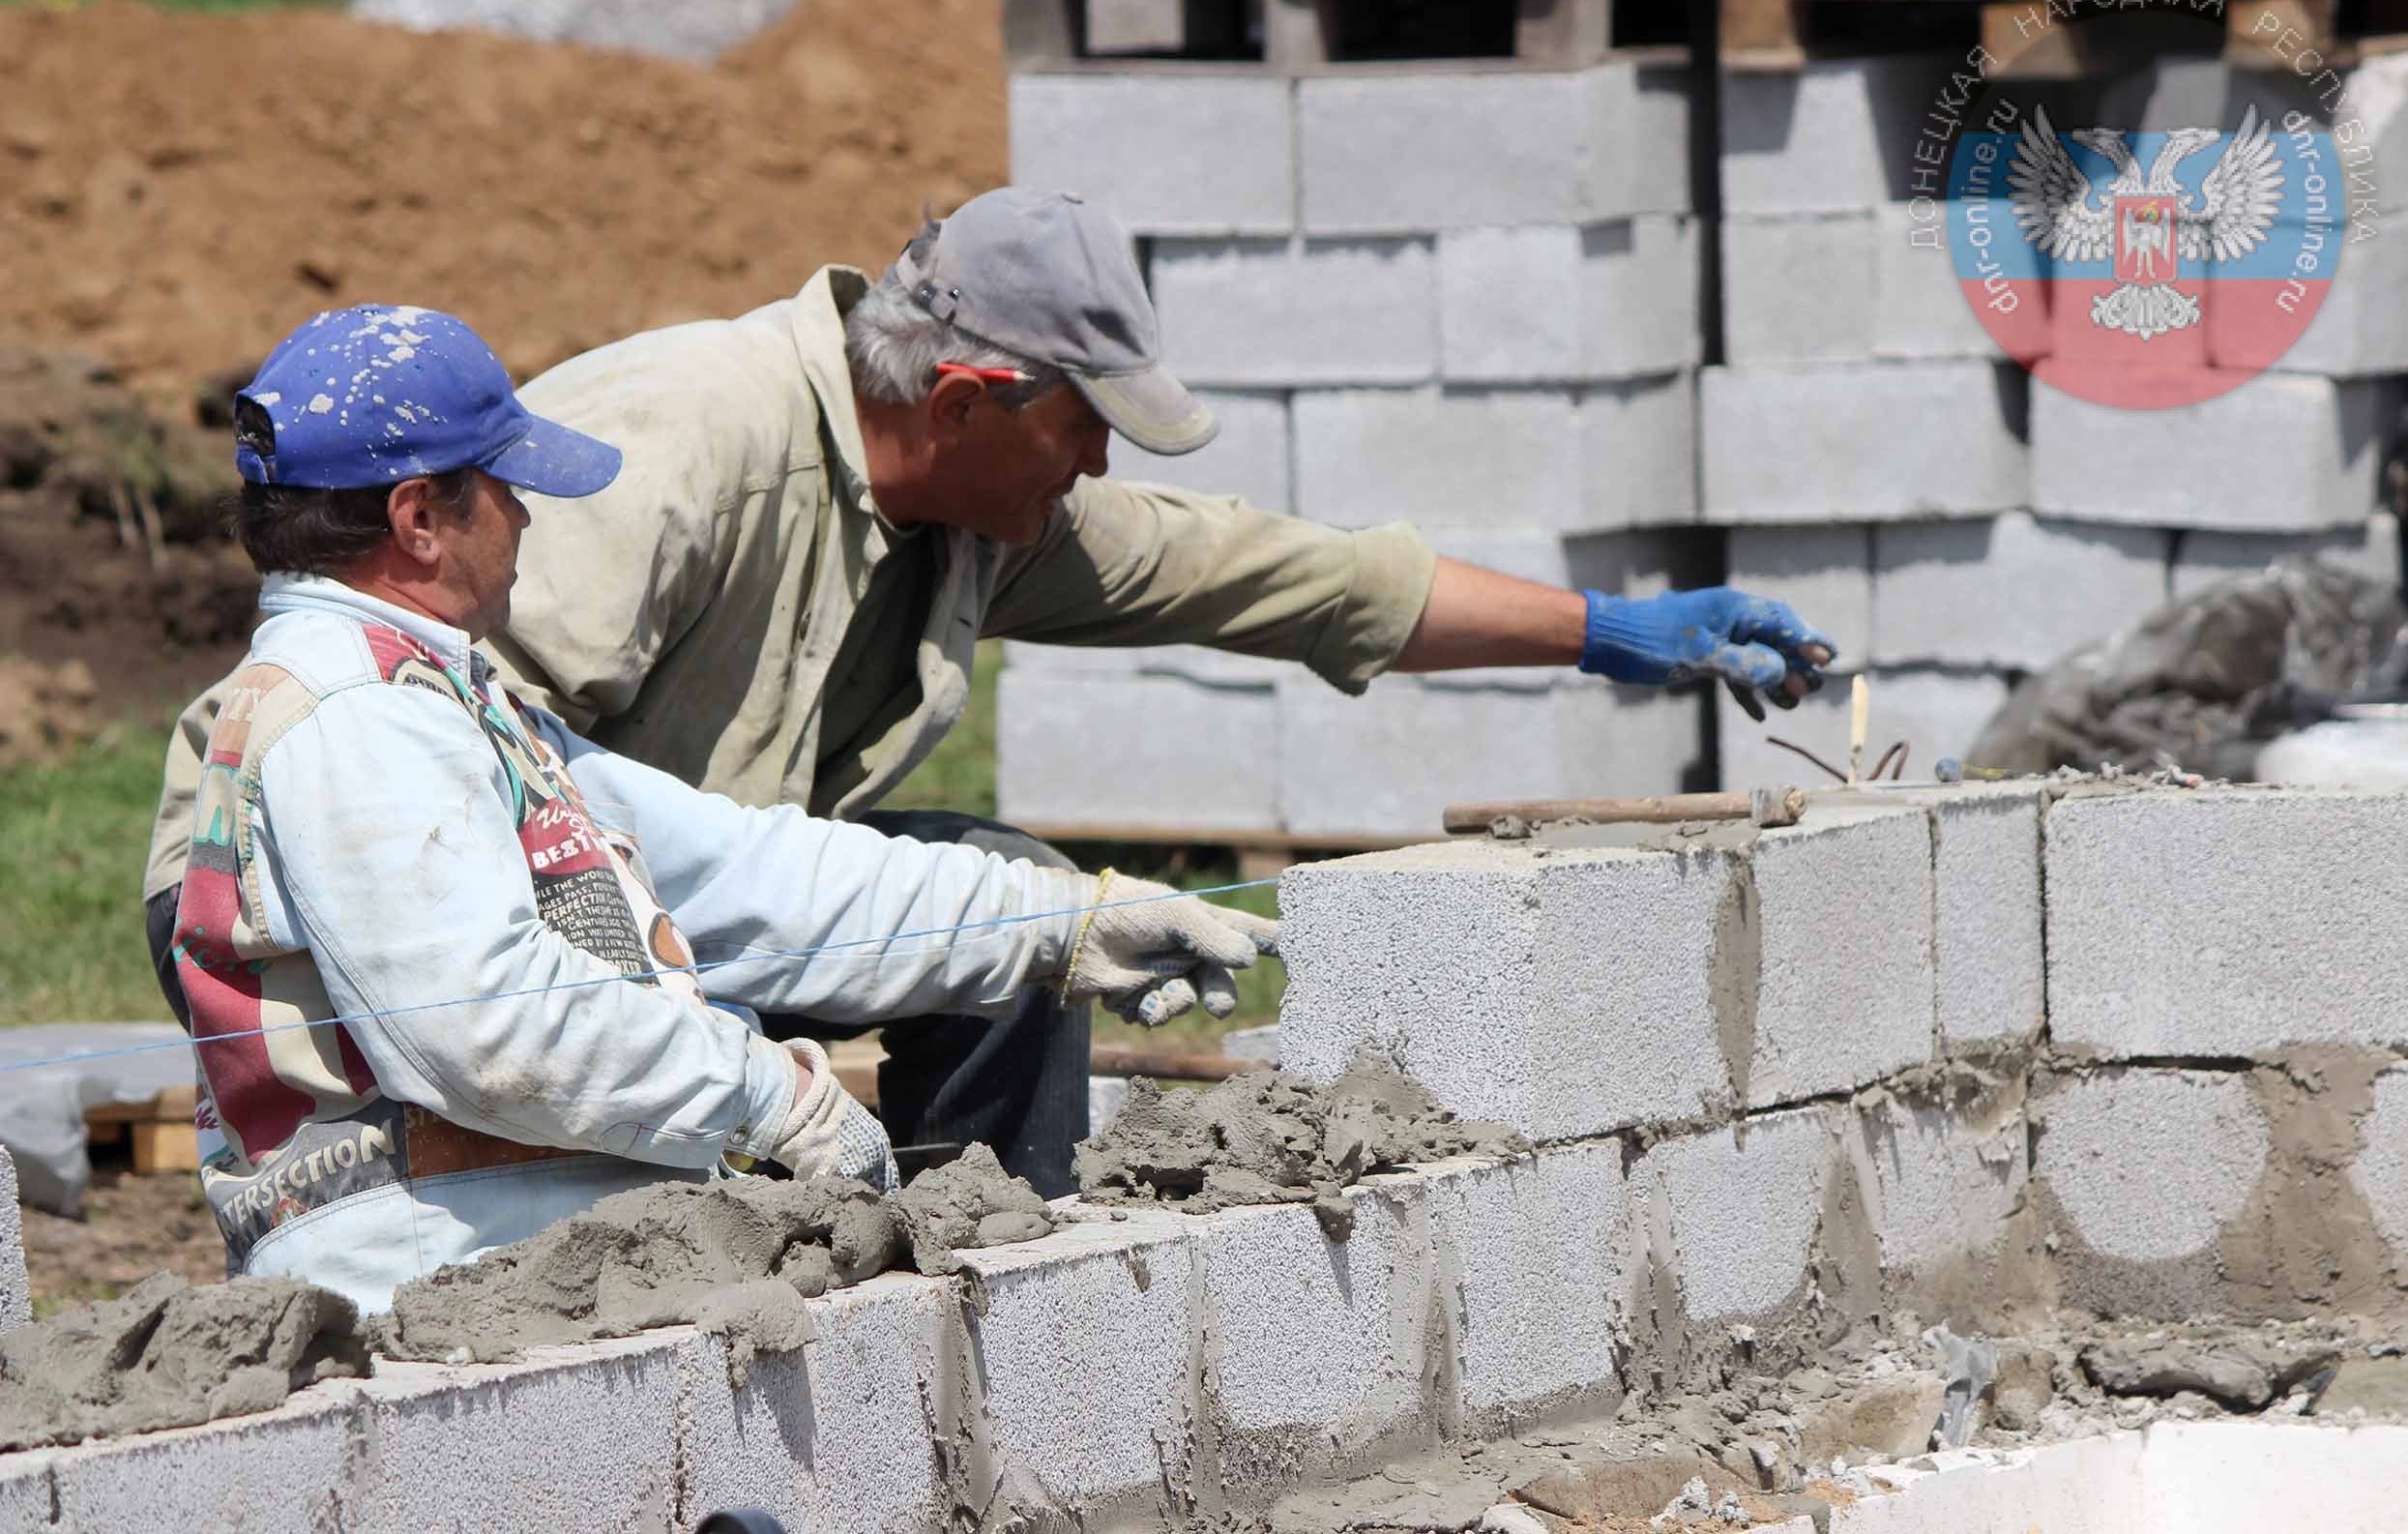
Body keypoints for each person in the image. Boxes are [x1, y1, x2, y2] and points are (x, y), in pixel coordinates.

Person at [150, 189, 1834, 1197]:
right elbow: (500, 883)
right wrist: (745, 1086)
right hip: (497, 1016)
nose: (1097, 460)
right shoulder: (669, 461)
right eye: (1081, 420)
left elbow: (1273, 574)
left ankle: (971, 1271)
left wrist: (1611, 633)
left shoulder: (976, 508)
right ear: (965, 396)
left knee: (1005, 893)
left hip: (668, 924)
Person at [166, 305, 1273, 1312]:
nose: (523, 518)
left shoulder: (426, 691)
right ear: (419, 518)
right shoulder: (356, 717)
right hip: (434, 1310)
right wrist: (766, 1093)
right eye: (502, 487)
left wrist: (1056, 921)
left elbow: (743, 873)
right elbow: (492, 1028)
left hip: (514, 1273)